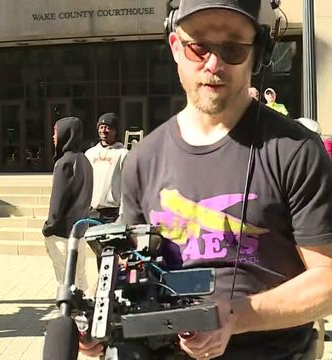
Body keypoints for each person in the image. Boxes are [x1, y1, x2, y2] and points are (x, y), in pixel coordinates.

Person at [82, 1, 332, 359]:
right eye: (198, 46)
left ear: (257, 54)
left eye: (233, 48)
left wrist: (234, 316)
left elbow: (327, 279)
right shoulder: (142, 159)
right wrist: (100, 318)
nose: (213, 64)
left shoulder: (296, 150)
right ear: (175, 48)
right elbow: (126, 265)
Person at [43, 117, 93, 293]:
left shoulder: (63, 163)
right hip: (80, 231)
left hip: (62, 234)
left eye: (56, 132)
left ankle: (71, 318)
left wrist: (48, 227)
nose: (53, 137)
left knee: (65, 282)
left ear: (66, 133)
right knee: (80, 278)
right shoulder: (85, 161)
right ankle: (85, 317)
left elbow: (57, 201)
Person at [84, 113, 129, 268]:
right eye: (101, 127)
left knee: (116, 255)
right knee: (100, 256)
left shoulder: (123, 154)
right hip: (94, 212)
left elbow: (127, 186)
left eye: (108, 127)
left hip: (113, 213)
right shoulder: (89, 154)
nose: (104, 130)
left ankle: (117, 289)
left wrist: (123, 213)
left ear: (115, 130)